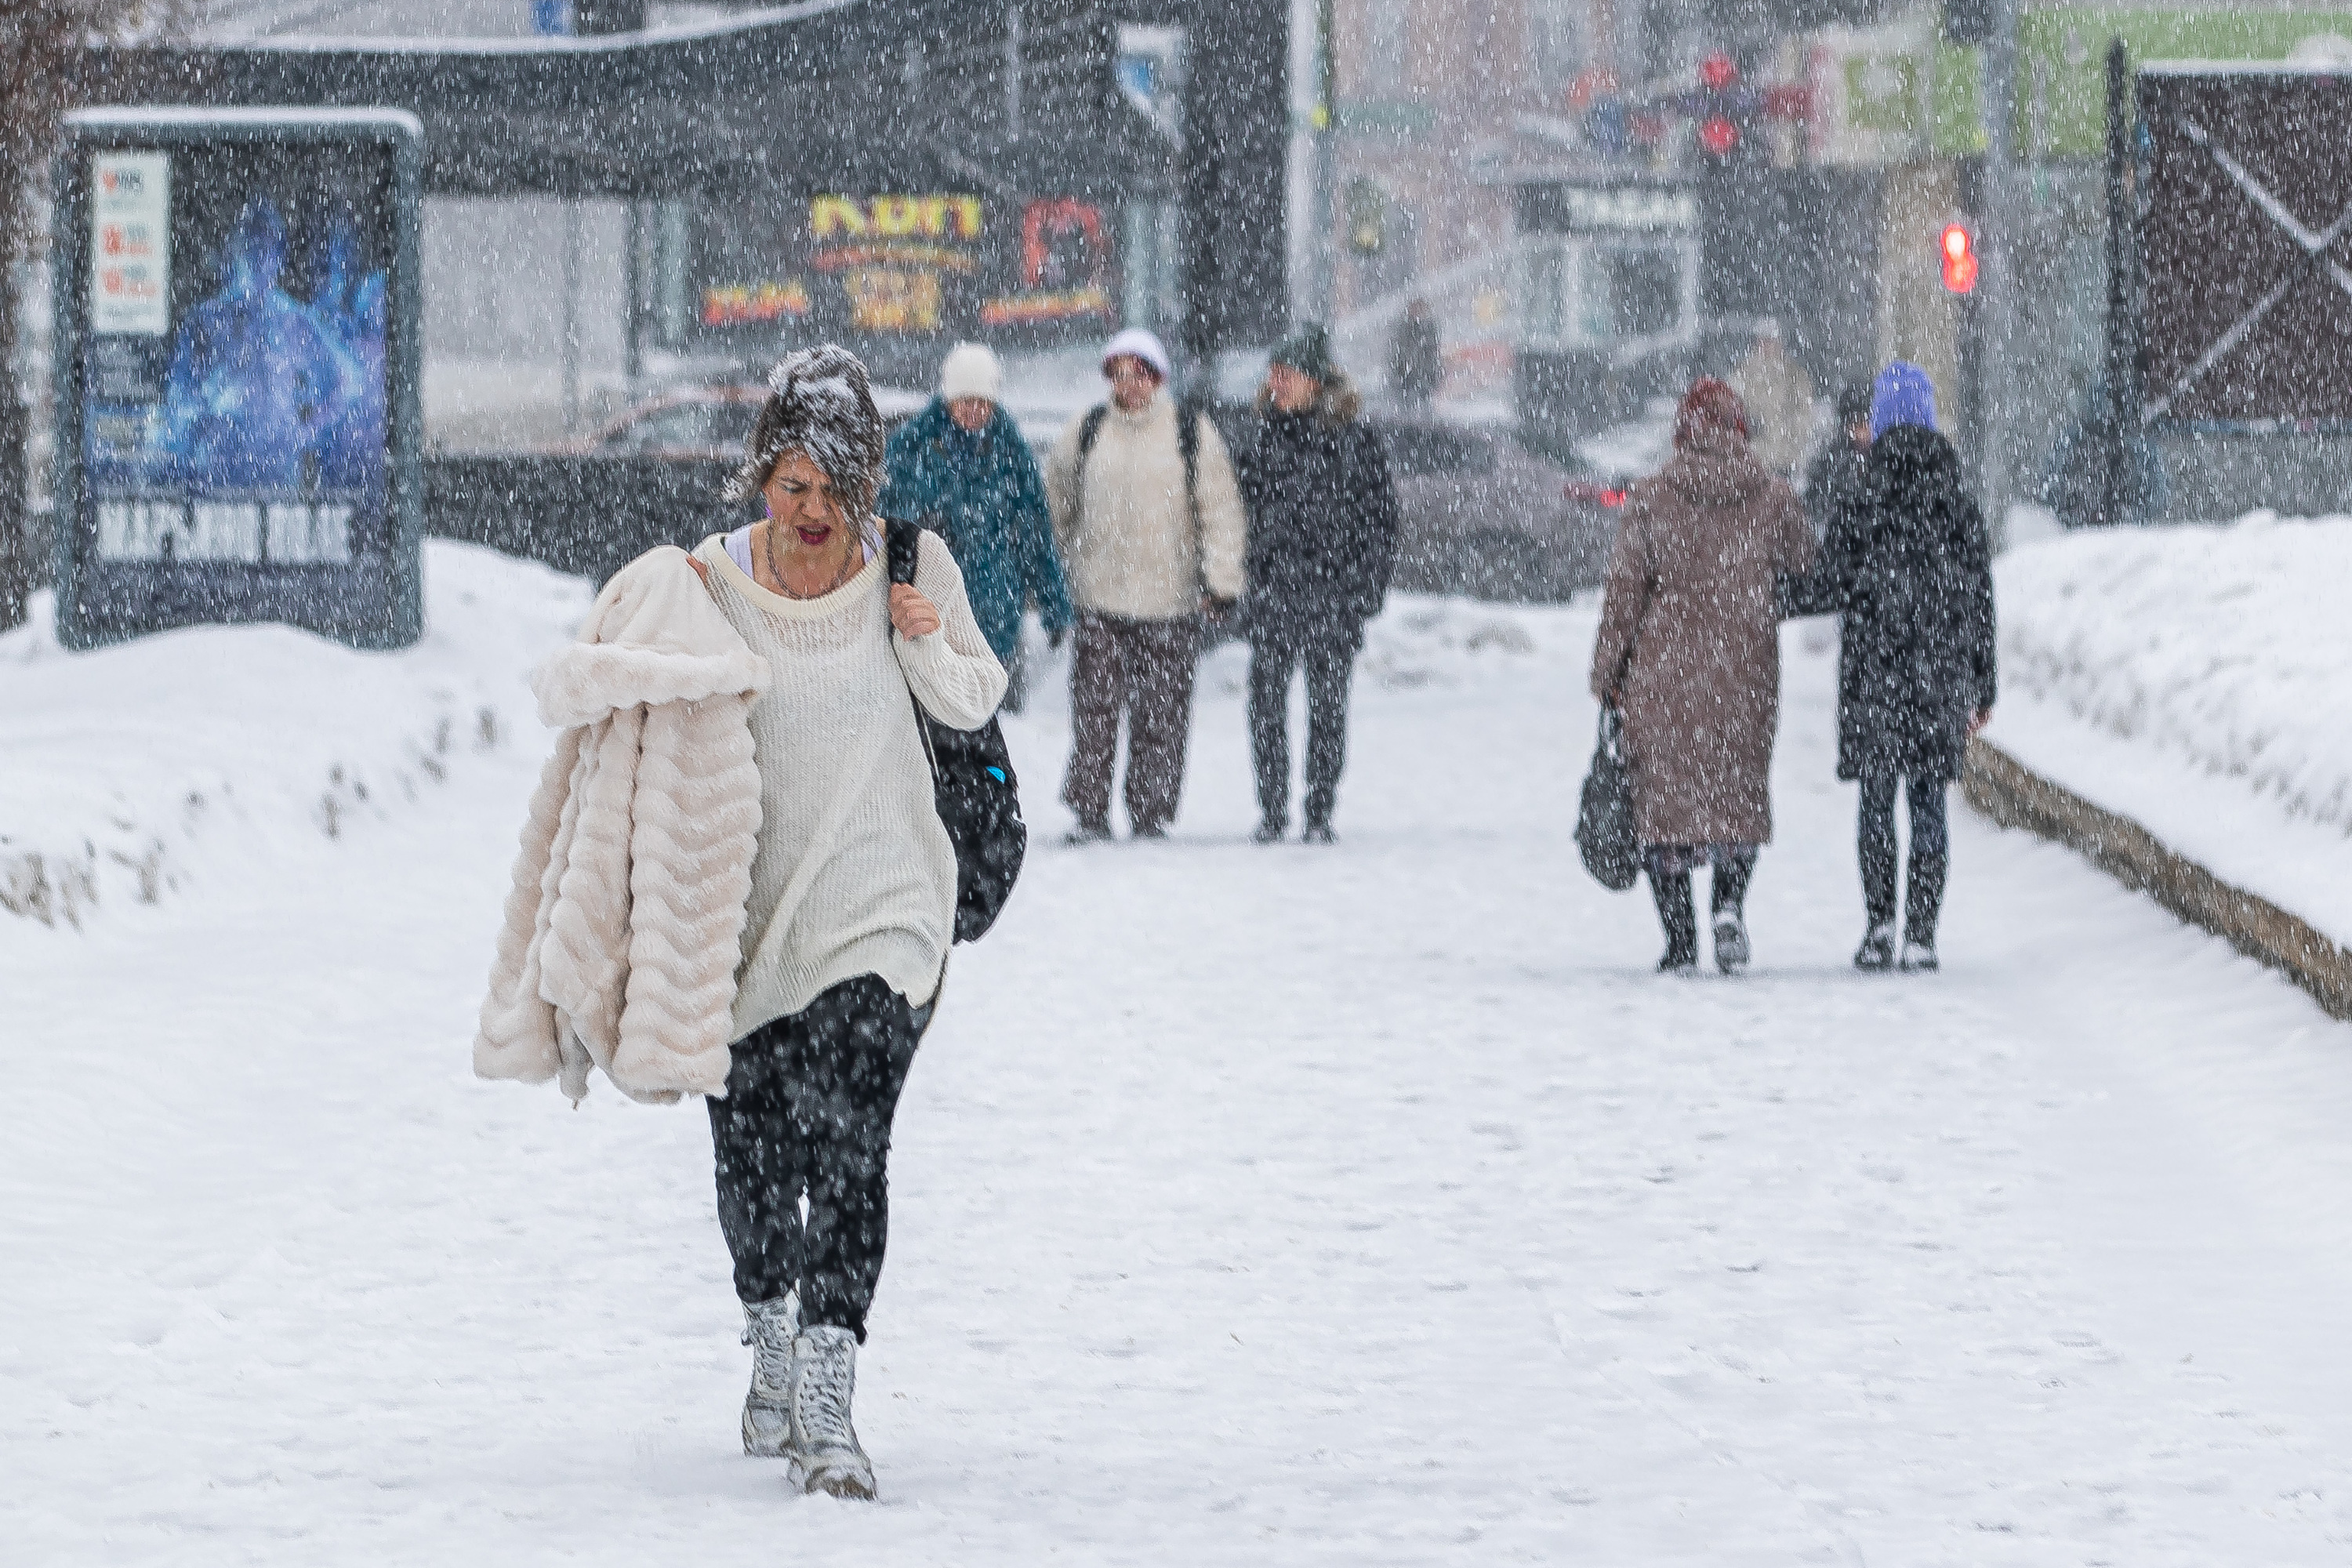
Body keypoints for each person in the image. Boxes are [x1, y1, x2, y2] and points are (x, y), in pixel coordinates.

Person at [477, 345, 1007, 1503]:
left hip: (884, 910)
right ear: (762, 478)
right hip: (743, 925)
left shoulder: (914, 566)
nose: (813, 515)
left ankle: (830, 1384)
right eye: (792, 487)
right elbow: (604, 696)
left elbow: (973, 699)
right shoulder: (702, 583)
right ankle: (768, 1324)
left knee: (853, 1141)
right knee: (757, 1166)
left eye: (835, 491)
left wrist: (923, 631)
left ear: (867, 484)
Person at [1590, 378, 1817, 975]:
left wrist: (1606, 673)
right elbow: (1809, 565)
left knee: (1663, 812)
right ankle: (1729, 905)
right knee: (1737, 800)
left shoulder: (1651, 496)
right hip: (1744, 672)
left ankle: (1680, 940)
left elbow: (1624, 595)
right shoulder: (1769, 495)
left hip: (1662, 675)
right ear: (1740, 429)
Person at [1806, 361, 1996, 973]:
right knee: (1929, 803)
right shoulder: (1956, 497)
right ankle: (1922, 936)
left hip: (1874, 672)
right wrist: (1982, 680)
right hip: (1939, 675)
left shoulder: (1860, 493)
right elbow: (1979, 596)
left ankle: (1880, 927)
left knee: (1876, 801)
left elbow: (1829, 582)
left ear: (1882, 421)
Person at [1044, 327, 1247, 842]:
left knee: (1162, 717)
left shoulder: (1189, 432)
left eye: (1139, 374)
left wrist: (1221, 580)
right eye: (1119, 373)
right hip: (1098, 598)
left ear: (1157, 378)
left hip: (1169, 601)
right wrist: (1059, 569)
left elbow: (1220, 512)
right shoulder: (1086, 431)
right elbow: (1055, 507)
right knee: (1094, 715)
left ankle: (1151, 813)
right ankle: (1089, 813)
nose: (1129, 385)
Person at [1236, 324, 1399, 844]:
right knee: (1266, 706)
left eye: (1286, 374)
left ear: (1313, 380)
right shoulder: (1262, 436)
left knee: (1328, 708)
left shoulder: (1354, 439)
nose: (1275, 383)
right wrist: (1245, 578)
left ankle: (1319, 808)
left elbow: (1381, 521)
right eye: (1273, 373)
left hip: (1334, 597)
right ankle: (1273, 809)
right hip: (1274, 595)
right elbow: (1239, 515)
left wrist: (1364, 589)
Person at [879, 341, 1074, 713]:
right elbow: (884, 524)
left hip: (995, 608)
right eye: (965, 401)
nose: (974, 411)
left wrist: (1053, 604)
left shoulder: (1011, 452)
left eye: (983, 403)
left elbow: (1034, 532)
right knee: (933, 718)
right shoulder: (910, 448)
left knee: (991, 727)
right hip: (929, 605)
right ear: (948, 400)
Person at [1726, 319, 1819, 484]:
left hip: (1783, 459)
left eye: (1770, 340)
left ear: (1780, 343)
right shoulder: (1742, 374)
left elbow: (1805, 416)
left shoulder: (1795, 375)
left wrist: (1793, 443)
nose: (1766, 345)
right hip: (1753, 459)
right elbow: (1730, 411)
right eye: (1762, 340)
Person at [1803, 383, 1875, 543]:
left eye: (1865, 424)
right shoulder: (1830, 462)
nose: (1860, 434)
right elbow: (1815, 512)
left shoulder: (1886, 460)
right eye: (1854, 425)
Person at [1388, 297, 1444, 412]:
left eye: (1421, 308)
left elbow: (1433, 353)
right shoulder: (1403, 326)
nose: (1418, 311)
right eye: (1415, 308)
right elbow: (1395, 353)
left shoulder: (1429, 327)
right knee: (1406, 407)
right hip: (1406, 378)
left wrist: (1434, 375)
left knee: (1424, 407)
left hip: (1422, 378)